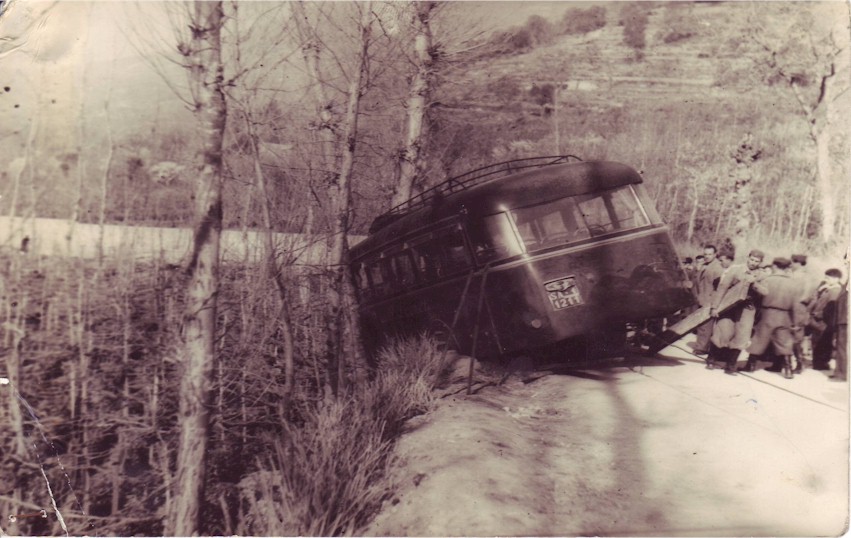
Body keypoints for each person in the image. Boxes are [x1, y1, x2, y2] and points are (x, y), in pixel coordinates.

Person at [742, 257, 805, 379]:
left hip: (767, 313)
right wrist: (796, 322)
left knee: (758, 339)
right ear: (787, 268)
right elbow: (797, 306)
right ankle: (788, 369)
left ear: (775, 266)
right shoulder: (794, 284)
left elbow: (758, 297)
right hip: (784, 315)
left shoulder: (767, 280)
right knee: (784, 342)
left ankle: (750, 365)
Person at [707, 249, 765, 375]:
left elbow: (766, 292)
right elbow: (722, 288)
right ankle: (711, 359)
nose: (753, 263)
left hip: (747, 309)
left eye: (757, 261)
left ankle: (731, 365)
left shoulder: (761, 275)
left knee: (742, 336)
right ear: (747, 258)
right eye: (752, 260)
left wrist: (754, 283)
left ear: (760, 262)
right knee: (723, 332)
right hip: (729, 306)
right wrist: (715, 307)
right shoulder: (735, 269)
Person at [808, 268, 843, 371]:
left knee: (822, 342)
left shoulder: (835, 291)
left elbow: (830, 309)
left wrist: (818, 314)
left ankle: (820, 363)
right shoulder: (829, 289)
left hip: (824, 321)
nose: (825, 279)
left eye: (828, 277)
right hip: (820, 320)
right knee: (818, 341)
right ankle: (819, 363)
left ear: (836, 279)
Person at [693, 245, 723, 355]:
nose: (707, 256)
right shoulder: (704, 266)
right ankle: (701, 346)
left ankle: (702, 348)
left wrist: (714, 303)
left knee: (706, 326)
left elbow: (719, 287)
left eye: (710, 254)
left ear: (715, 255)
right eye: (705, 254)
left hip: (710, 300)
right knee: (701, 324)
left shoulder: (717, 268)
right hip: (702, 298)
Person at [832, 281, 848, 381]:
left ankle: (843, 374)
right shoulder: (846, 284)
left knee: (843, 348)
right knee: (841, 348)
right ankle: (839, 371)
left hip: (845, 321)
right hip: (842, 320)